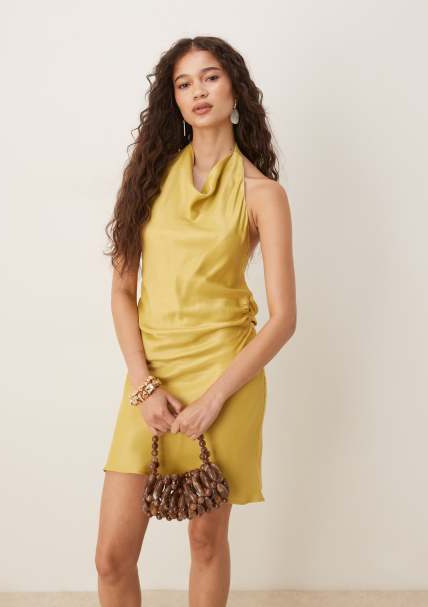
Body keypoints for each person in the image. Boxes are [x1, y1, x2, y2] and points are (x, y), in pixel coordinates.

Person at [95, 35, 296, 607]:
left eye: (209, 77)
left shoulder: (263, 194)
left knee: (206, 542)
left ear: (235, 89)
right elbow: (122, 291)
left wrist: (213, 399)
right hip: (150, 377)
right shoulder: (146, 181)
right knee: (111, 557)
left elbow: (284, 318)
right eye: (184, 83)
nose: (198, 91)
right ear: (174, 101)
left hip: (226, 378)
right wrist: (143, 383)